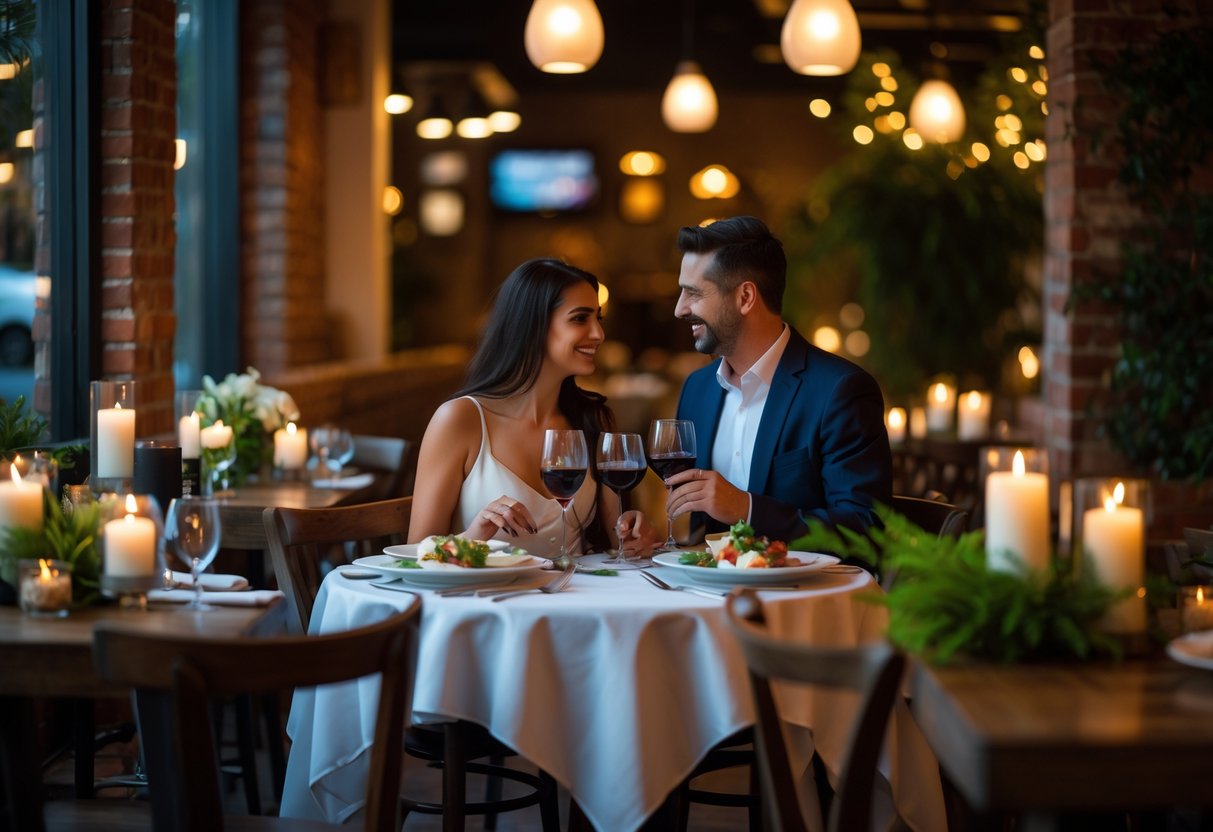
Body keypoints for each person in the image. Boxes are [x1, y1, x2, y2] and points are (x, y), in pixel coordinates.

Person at [661, 216, 892, 544]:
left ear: (745, 297)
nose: (679, 309)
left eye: (692, 293)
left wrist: (748, 509)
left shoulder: (840, 391)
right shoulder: (697, 389)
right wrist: (655, 539)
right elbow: (701, 531)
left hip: (803, 594)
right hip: (705, 593)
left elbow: (864, 528)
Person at [410, 257, 659, 558]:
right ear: (533, 325)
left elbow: (617, 545)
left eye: (598, 319)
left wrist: (635, 536)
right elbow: (414, 553)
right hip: (483, 602)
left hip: (576, 601)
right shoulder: (460, 420)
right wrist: (474, 535)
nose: (598, 334)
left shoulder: (594, 420)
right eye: (580, 318)